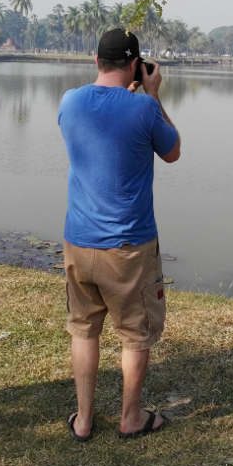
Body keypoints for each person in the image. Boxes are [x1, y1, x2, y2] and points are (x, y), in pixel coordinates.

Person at [57, 27, 180, 441]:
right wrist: (153, 94)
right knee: (135, 334)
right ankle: (130, 417)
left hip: (79, 240)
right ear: (135, 65)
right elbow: (173, 151)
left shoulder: (69, 102)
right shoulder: (143, 109)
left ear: (95, 61)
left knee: (83, 329)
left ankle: (85, 418)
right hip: (128, 245)